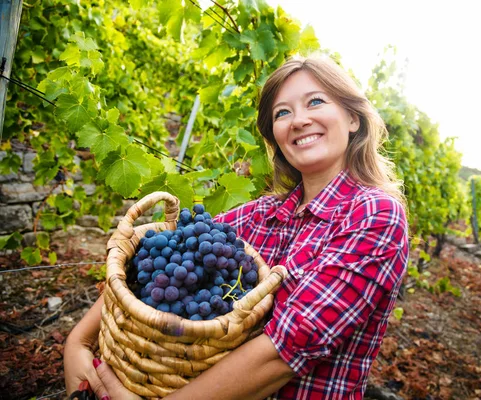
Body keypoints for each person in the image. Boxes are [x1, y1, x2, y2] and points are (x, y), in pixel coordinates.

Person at [64, 55, 409, 400]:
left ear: (352, 117)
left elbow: (283, 352)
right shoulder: (260, 214)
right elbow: (166, 250)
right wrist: (78, 341)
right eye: (282, 113)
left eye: (315, 101)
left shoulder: (374, 214)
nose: (298, 120)